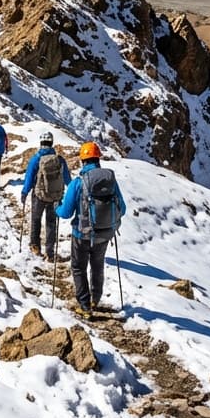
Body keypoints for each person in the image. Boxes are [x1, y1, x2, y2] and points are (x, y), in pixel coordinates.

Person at [55, 142, 127, 320]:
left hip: (81, 234)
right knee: (97, 265)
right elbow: (122, 208)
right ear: (98, 158)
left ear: (82, 160)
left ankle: (85, 306)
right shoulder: (110, 181)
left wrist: (57, 207)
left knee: (78, 268)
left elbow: (65, 213)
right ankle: (95, 299)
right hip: (104, 234)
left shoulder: (78, 183)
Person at [21, 132, 70, 260]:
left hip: (39, 195)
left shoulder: (36, 159)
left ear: (41, 143)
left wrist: (24, 192)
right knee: (51, 223)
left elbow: (29, 178)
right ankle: (50, 252)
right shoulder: (59, 159)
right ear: (51, 143)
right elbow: (67, 179)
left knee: (36, 220)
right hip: (55, 196)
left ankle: (35, 246)